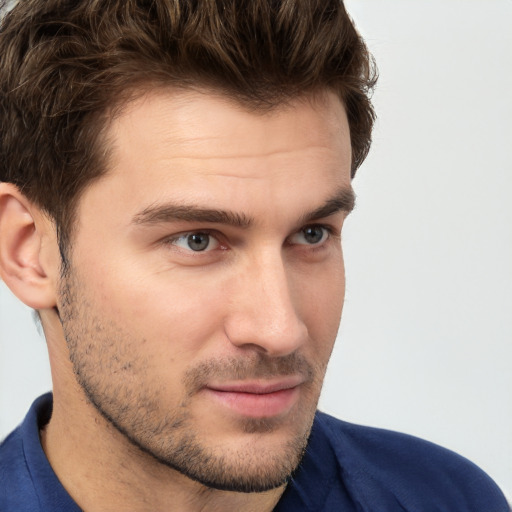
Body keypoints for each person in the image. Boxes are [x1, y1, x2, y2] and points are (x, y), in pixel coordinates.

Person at [0, 0, 508, 511]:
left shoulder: (447, 499)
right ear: (28, 252)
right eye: (197, 240)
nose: (280, 328)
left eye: (312, 234)